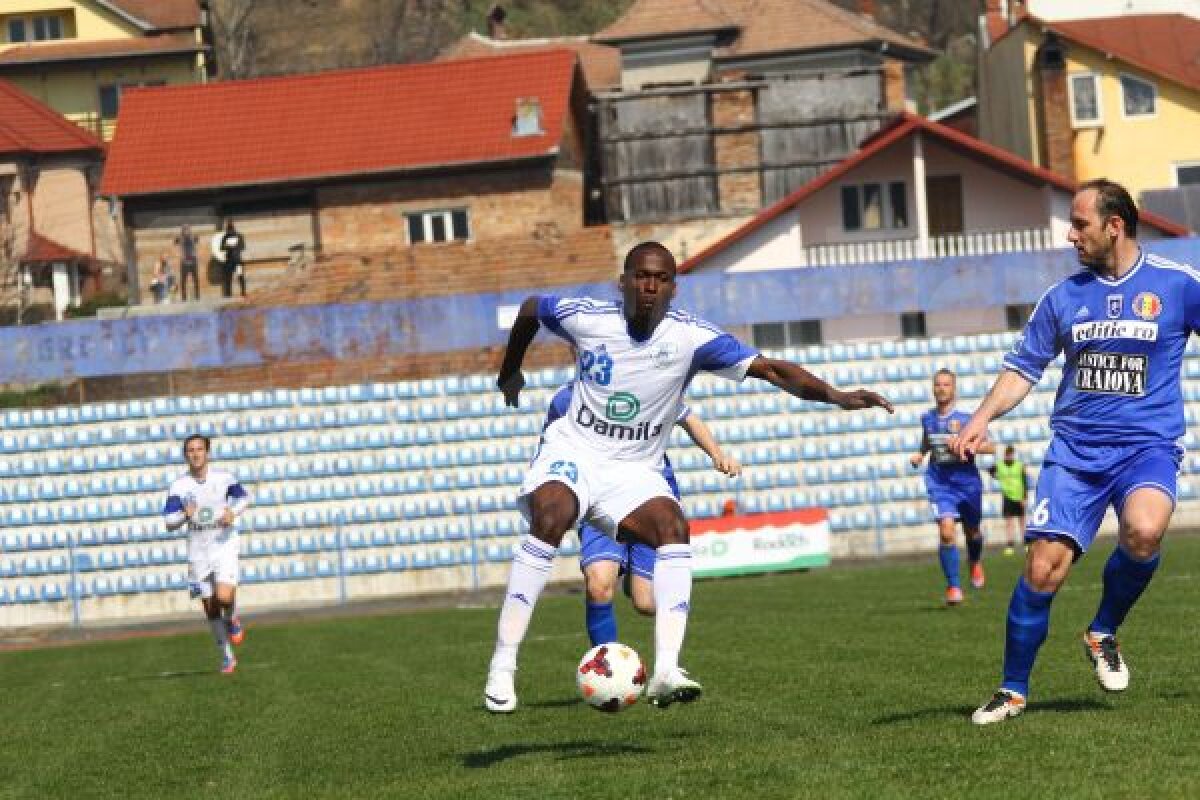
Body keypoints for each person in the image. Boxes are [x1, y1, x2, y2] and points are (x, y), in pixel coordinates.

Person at [482, 240, 892, 713]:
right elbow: (531, 309)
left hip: (635, 469)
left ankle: (666, 670)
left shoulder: (691, 338)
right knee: (552, 514)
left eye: (660, 278)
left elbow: (772, 369)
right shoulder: (587, 316)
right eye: (640, 276)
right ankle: (504, 663)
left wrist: (837, 396)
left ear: (673, 288)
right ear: (623, 282)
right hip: (575, 450)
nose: (649, 286)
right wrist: (509, 371)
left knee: (673, 527)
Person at [953, 179, 1197, 725]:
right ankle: (1012, 691)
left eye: (1079, 223)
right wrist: (980, 416)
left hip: (1146, 448)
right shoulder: (1063, 297)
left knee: (1145, 529)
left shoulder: (1177, 286)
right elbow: (1023, 371)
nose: (1070, 234)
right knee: (1043, 570)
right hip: (1075, 454)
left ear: (1115, 226)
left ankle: (1102, 630)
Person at [538, 384, 741, 647]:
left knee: (646, 603)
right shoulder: (567, 400)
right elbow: (550, 449)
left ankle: (635, 580)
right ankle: (605, 667)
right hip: (600, 499)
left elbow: (687, 417)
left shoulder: (647, 383)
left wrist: (717, 454)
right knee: (598, 585)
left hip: (648, 498)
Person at [163, 434, 251, 674]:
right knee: (210, 607)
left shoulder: (224, 479)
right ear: (185, 455)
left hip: (224, 543)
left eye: (200, 449)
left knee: (223, 598)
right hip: (198, 550)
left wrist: (233, 512)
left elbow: (244, 497)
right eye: (190, 450)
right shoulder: (179, 486)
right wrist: (184, 515)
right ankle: (227, 657)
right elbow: (169, 522)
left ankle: (232, 618)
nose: (195, 454)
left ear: (207, 453)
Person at [909, 369, 993, 606]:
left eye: (946, 384)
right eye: (937, 384)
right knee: (946, 531)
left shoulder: (967, 419)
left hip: (967, 483)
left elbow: (991, 447)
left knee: (972, 532)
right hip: (940, 481)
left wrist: (966, 445)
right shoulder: (927, 419)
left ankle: (974, 561)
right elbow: (927, 442)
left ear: (954, 389)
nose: (941, 388)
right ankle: (954, 586)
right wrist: (920, 454)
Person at [989, 445, 1029, 555]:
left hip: (1019, 496)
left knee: (1022, 521)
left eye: (1011, 454)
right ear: (1005, 454)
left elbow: (1025, 481)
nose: (1009, 456)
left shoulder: (1019, 465)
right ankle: (1010, 545)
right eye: (1008, 454)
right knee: (1009, 522)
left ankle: (1025, 543)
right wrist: (996, 477)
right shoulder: (999, 465)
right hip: (1007, 496)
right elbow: (990, 470)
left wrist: (1025, 497)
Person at [219, 220, 246, 298]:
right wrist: (228, 247)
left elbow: (242, 247)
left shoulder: (239, 236)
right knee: (229, 278)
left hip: (237, 260)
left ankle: (243, 292)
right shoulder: (225, 237)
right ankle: (229, 294)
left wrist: (234, 247)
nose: (229, 230)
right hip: (230, 261)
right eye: (228, 229)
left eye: (230, 229)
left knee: (240, 276)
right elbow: (222, 248)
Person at [175, 225, 200, 301]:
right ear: (182, 231)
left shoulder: (192, 237)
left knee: (195, 279)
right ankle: (184, 298)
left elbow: (197, 239)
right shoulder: (180, 238)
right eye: (185, 230)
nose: (186, 231)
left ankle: (197, 296)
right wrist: (180, 238)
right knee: (183, 281)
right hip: (184, 262)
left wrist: (193, 237)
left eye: (188, 230)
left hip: (193, 261)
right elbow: (176, 241)